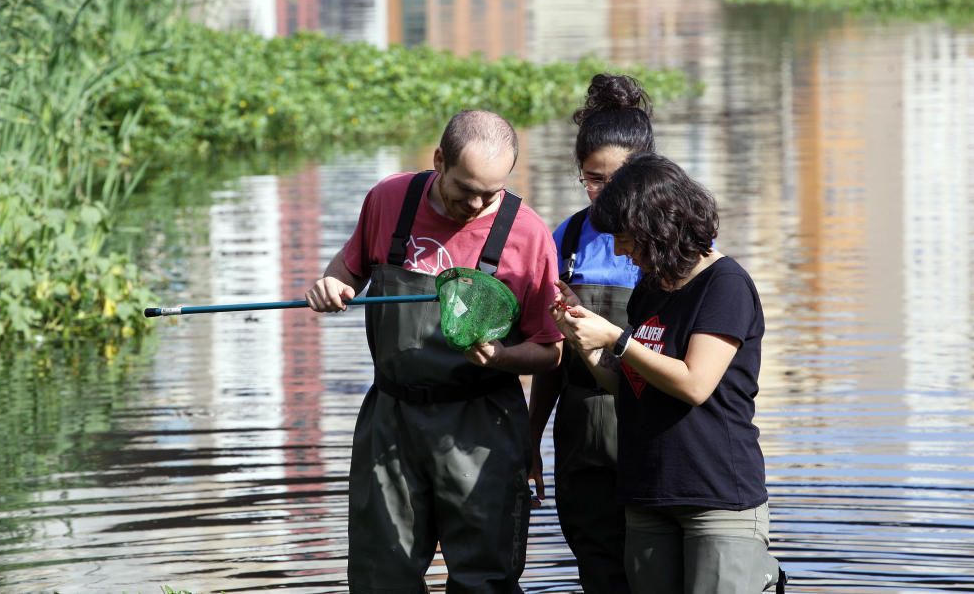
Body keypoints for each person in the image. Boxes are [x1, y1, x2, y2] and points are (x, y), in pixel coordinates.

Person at [306, 110, 564, 594]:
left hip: (481, 422)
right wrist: (331, 286)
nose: (478, 203)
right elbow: (348, 268)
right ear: (438, 159)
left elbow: (551, 351)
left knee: (484, 576)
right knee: (381, 573)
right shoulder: (389, 199)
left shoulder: (527, 233)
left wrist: (504, 357)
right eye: (466, 188)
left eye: (492, 192)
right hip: (392, 417)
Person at [549, 152, 786, 594]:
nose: (619, 249)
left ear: (658, 227)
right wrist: (585, 340)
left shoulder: (725, 285)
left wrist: (618, 339)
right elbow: (628, 385)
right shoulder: (650, 289)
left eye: (624, 236)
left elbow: (694, 384)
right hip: (647, 494)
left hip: (714, 497)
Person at [527, 73, 654, 593]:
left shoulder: (670, 243)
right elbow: (553, 353)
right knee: (597, 568)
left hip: (649, 428)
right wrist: (530, 439)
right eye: (592, 179)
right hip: (581, 436)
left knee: (654, 567)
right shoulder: (567, 238)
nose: (604, 192)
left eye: (616, 178)